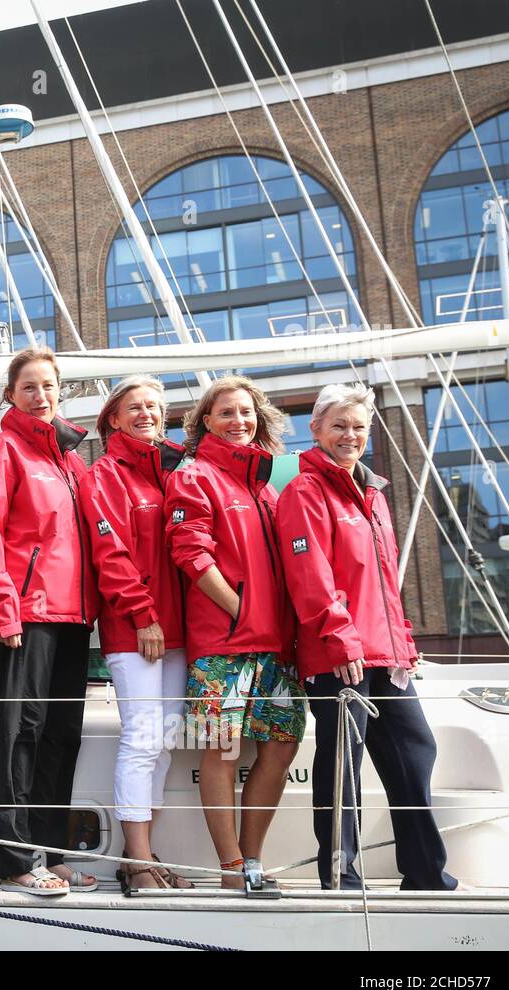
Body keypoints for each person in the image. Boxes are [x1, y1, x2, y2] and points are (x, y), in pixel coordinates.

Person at [277, 383, 457, 891]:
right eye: (338, 425)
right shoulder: (305, 491)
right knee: (343, 766)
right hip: (338, 655)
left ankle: (424, 872)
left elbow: (382, 580)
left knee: (414, 750)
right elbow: (309, 573)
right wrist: (340, 639)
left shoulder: (372, 494)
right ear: (315, 430)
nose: (349, 435)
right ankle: (341, 876)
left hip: (385, 652)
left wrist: (403, 639)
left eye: (358, 426)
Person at [0, 346, 100, 897]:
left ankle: (52, 851)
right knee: (20, 733)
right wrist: (2, 605)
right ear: (9, 396)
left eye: (48, 386)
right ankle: (17, 857)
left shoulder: (70, 460)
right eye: (29, 387)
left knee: (62, 734)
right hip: (27, 610)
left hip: (73, 614)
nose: (40, 396)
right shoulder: (3, 449)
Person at [165, 374, 303, 888]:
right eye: (226, 413)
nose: (238, 421)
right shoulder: (194, 475)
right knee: (221, 749)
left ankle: (254, 861)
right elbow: (190, 553)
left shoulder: (267, 486)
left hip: (277, 648)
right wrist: (241, 610)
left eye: (246, 412)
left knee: (282, 745)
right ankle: (229, 868)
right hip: (223, 645)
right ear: (205, 421)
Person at [80, 374, 193, 890]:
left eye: (153, 405)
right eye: (134, 407)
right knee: (143, 740)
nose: (146, 413)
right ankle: (140, 862)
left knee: (166, 743)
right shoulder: (105, 474)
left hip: (180, 631)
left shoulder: (173, 473)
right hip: (137, 630)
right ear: (113, 420)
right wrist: (142, 614)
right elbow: (111, 554)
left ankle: (140, 853)